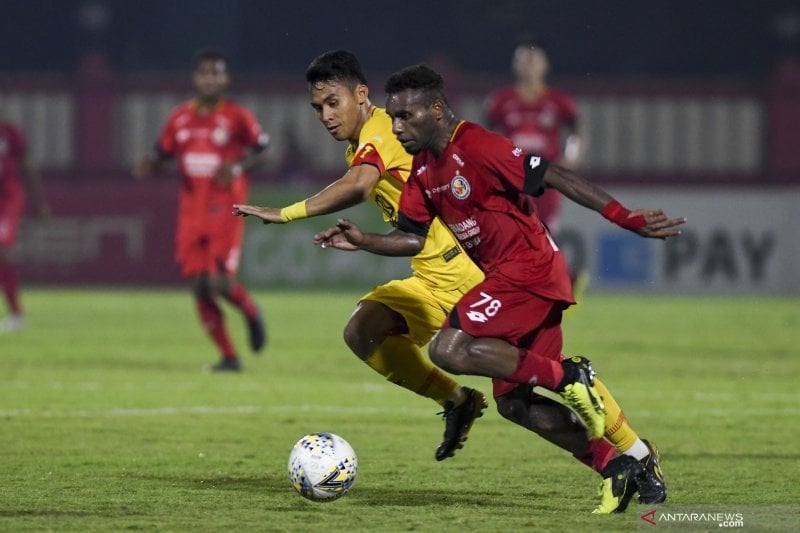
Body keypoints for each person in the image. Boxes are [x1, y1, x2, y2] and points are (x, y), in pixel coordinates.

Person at [314, 64, 685, 513]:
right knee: (515, 405)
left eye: (405, 117)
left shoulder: (477, 144)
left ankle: (571, 377)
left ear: (435, 109)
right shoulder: (425, 169)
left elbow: (554, 175)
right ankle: (628, 463)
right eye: (392, 118)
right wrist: (364, 241)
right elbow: (414, 235)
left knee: (449, 349)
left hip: (529, 271)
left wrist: (623, 216)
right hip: (514, 279)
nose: (396, 127)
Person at [233, 50, 488, 461]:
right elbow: (406, 219)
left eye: (334, 102)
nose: (326, 115)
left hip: (471, 274)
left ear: (362, 95)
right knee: (362, 330)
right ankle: (458, 400)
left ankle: (620, 448)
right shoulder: (361, 145)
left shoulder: (385, 128)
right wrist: (367, 239)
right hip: (432, 276)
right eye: (318, 107)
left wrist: (286, 212)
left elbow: (358, 186)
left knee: (525, 388)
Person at [134, 48, 269, 372]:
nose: (210, 78)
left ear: (225, 78)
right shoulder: (180, 118)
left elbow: (262, 152)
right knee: (197, 285)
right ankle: (230, 357)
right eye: (205, 72)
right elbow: (162, 155)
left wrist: (237, 167)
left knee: (218, 283)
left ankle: (250, 311)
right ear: (196, 78)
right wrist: (151, 165)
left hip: (225, 209)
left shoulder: (237, 117)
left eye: (216, 72)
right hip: (191, 212)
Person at [485, 36, 587, 290]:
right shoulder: (501, 101)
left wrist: (571, 155)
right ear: (515, 66)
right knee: (512, 232)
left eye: (534, 60)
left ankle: (564, 280)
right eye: (524, 60)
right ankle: (550, 281)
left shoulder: (558, 102)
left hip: (545, 178)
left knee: (543, 231)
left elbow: (576, 132)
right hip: (512, 177)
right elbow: (485, 135)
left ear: (545, 65)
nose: (529, 66)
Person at [0, 104, 49, 333]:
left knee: (2, 251)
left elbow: (28, 165)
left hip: (8, 200)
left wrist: (39, 202)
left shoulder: (10, 133)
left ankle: (17, 315)